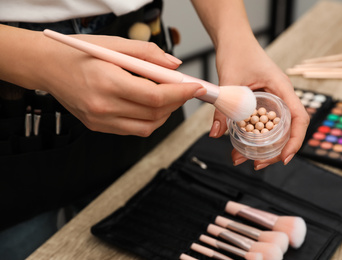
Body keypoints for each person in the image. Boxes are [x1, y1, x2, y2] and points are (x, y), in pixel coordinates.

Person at [0, 0, 309, 259]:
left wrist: (236, 37)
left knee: (154, 227)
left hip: (140, 47)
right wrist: (36, 61)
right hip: (13, 72)